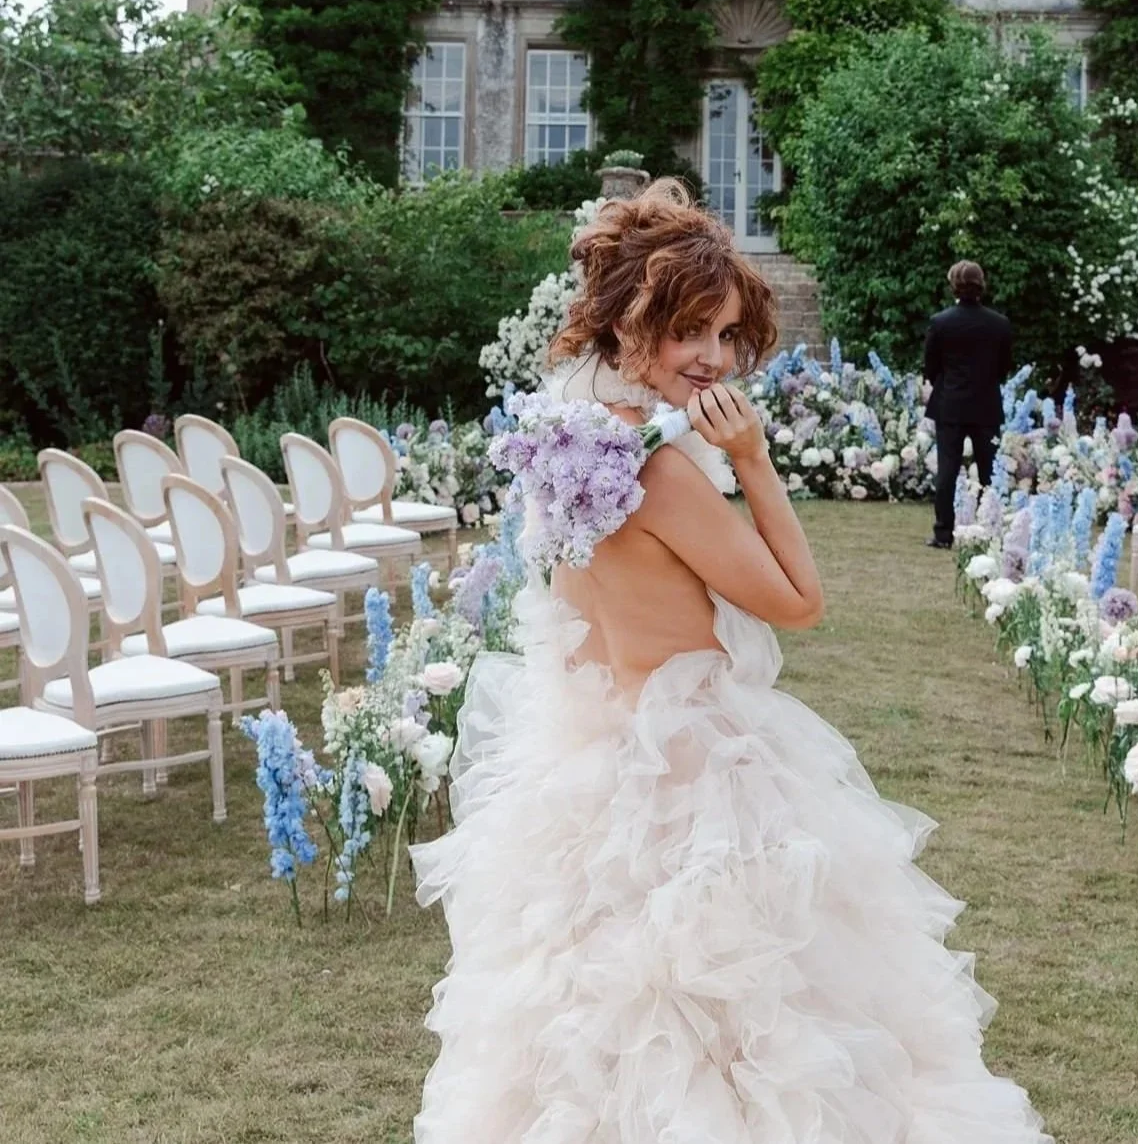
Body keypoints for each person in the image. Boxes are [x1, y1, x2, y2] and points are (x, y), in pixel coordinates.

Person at [410, 182, 1050, 1143]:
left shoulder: (561, 445)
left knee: (593, 1030)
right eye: (688, 332)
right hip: (701, 765)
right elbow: (800, 600)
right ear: (629, 326)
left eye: (725, 333)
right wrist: (752, 459)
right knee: (754, 1028)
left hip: (591, 757)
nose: (713, 357)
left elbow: (574, 620)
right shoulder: (658, 469)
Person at [923, 260, 1013, 550]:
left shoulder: (941, 322)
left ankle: (943, 532)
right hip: (986, 404)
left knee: (948, 469)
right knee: (989, 471)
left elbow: (931, 367)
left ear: (954, 286)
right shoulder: (999, 324)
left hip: (950, 404)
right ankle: (991, 529)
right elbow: (1004, 368)